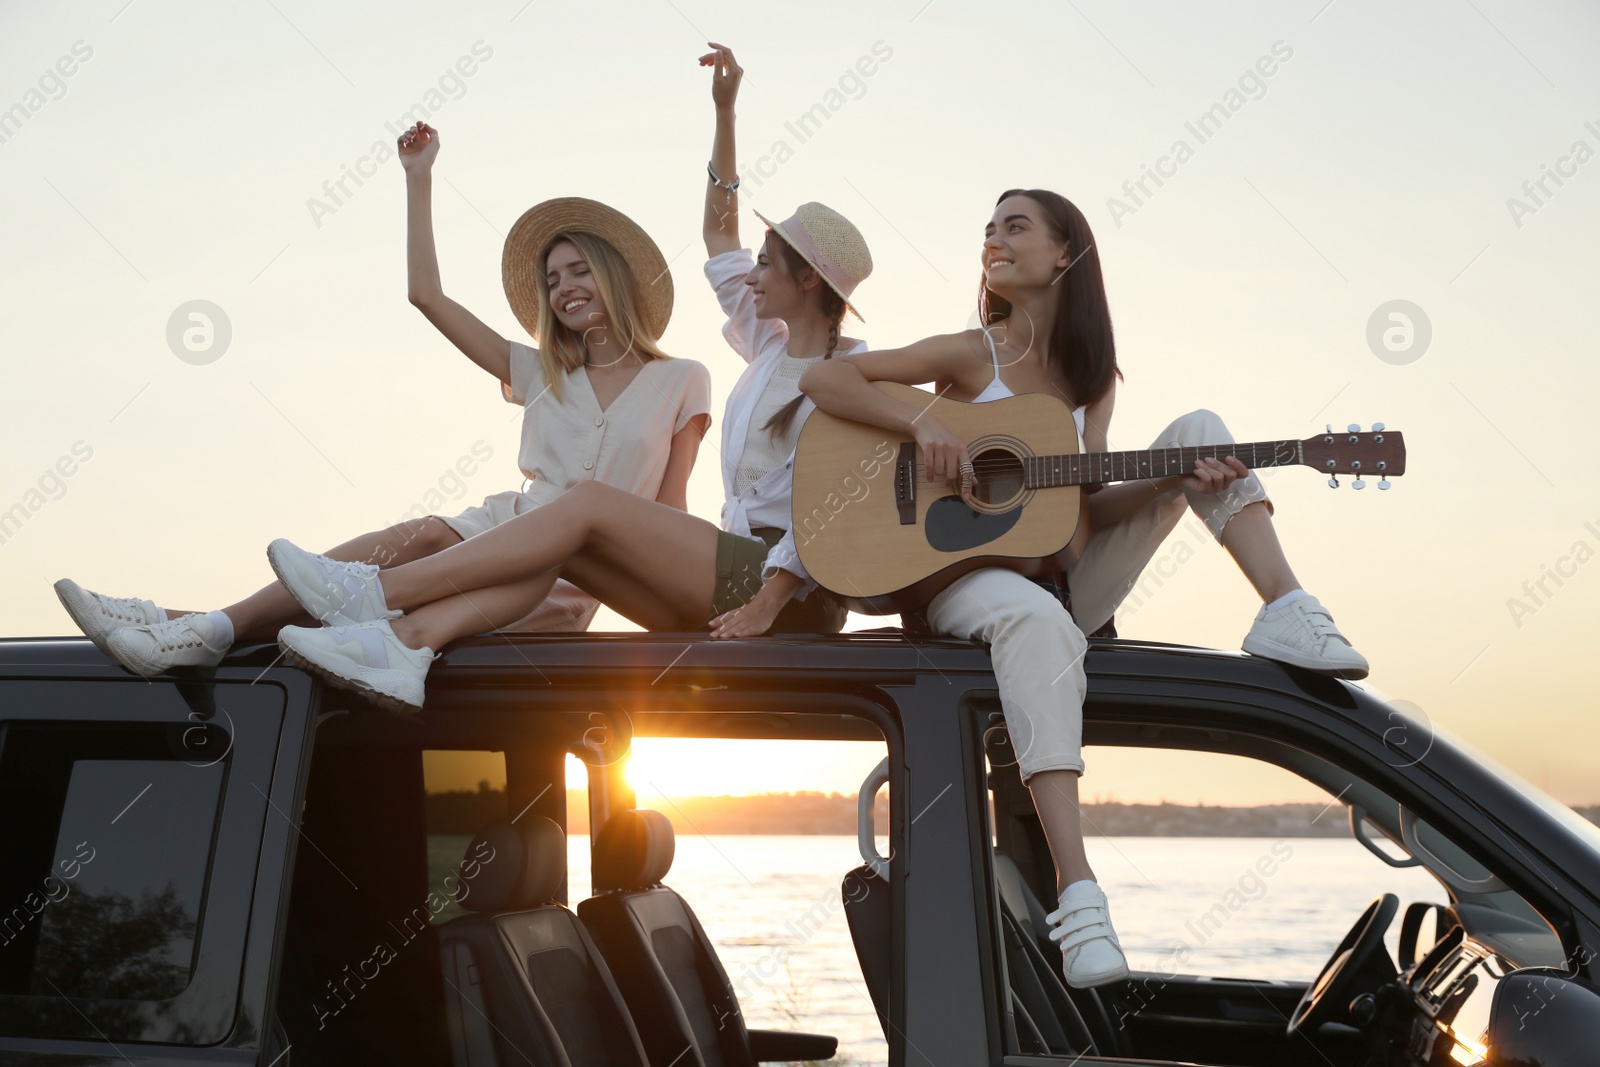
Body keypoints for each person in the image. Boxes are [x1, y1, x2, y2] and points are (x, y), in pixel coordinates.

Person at [798, 188, 1370, 988]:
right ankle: (1078, 892)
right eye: (988, 228)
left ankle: (1289, 610)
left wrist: (1173, 478)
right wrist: (922, 425)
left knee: (1201, 429)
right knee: (1034, 618)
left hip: (1059, 576)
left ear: (1064, 255)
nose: (994, 238)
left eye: (1015, 225)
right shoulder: (972, 353)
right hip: (964, 584)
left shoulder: (1093, 379)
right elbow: (828, 380)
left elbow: (1076, 521)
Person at [264, 44, 863, 713]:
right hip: (717, 573)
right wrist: (725, 112)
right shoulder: (766, 345)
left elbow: (838, 513)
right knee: (564, 525)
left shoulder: (849, 380)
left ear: (806, 279)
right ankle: (406, 644)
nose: (747, 273)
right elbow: (719, 232)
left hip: (781, 587)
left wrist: (771, 598)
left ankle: (376, 594)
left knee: (584, 502)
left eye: (767, 263)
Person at [54, 121, 712, 675]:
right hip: (497, 531)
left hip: (564, 577)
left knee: (374, 609)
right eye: (552, 277)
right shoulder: (539, 368)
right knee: (420, 539)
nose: (564, 286)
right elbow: (426, 296)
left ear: (616, 276)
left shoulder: (682, 379)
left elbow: (671, 511)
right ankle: (203, 627)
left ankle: (188, 627)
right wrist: (418, 177)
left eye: (579, 270)